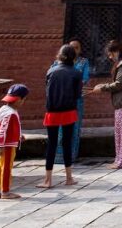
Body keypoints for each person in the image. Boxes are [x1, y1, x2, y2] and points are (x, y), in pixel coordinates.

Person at [89, 40, 122, 169]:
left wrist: (102, 88)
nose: (110, 57)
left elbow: (119, 84)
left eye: (111, 54)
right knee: (119, 132)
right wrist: (102, 86)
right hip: (121, 102)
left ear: (116, 52)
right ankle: (119, 160)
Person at [39, 44, 83, 188]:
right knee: (67, 143)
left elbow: (47, 91)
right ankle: (69, 177)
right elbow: (77, 95)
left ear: (60, 55)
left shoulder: (51, 71)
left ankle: (48, 179)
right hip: (69, 111)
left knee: (51, 144)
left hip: (52, 111)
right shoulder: (76, 73)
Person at [52, 39, 90, 165]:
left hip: (76, 100)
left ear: (80, 49)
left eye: (77, 47)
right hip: (60, 100)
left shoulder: (83, 62)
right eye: (71, 47)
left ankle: (72, 155)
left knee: (74, 127)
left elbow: (84, 79)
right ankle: (58, 156)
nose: (74, 49)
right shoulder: (56, 64)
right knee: (60, 128)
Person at [0, 84, 29, 199]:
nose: (23, 102)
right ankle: (5, 191)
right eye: (24, 99)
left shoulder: (5, 109)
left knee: (0, 166)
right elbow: (3, 130)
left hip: (7, 143)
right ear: (19, 99)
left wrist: (18, 136)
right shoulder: (10, 113)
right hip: (7, 145)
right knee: (6, 168)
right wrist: (0, 145)